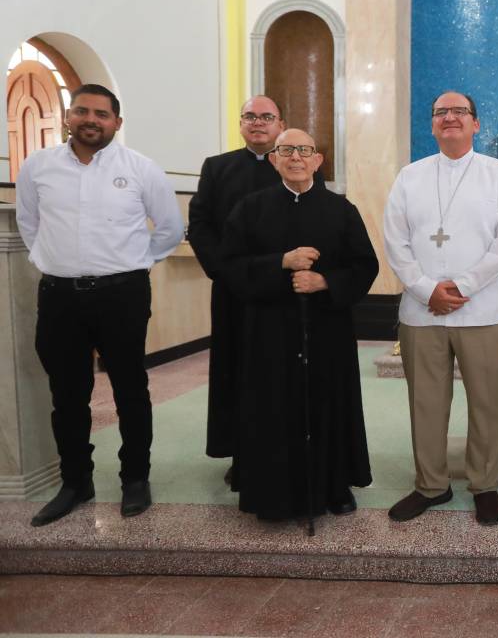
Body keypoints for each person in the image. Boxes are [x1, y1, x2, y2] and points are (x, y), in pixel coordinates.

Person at [15, 84, 183, 526]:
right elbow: (28, 223)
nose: (91, 120)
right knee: (67, 395)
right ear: (69, 116)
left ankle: (135, 480)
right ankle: (76, 482)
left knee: (130, 389)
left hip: (121, 295)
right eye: (83, 111)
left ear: (116, 123)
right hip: (60, 297)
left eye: (102, 114)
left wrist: (134, 266)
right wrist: (53, 262)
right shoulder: (38, 167)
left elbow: (168, 228)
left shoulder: (141, 169)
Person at [219, 128, 377, 521]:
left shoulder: (342, 210)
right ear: (274, 159)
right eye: (286, 150)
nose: (295, 158)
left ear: (317, 160)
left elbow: (365, 265)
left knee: (329, 403)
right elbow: (229, 266)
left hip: (327, 330)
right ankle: (270, 494)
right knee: (271, 408)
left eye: (304, 150)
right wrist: (280, 264)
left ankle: (334, 487)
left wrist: (325, 281)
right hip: (268, 331)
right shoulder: (249, 209)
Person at [383, 91, 498, 526]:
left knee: (487, 403)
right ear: (432, 124)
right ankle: (432, 484)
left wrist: (461, 286)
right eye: (440, 112)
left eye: (459, 112)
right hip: (422, 312)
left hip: (485, 312)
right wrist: (427, 289)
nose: (450, 118)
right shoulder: (410, 176)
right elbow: (395, 240)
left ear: (476, 124)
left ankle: (484, 484)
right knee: (426, 402)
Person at [188, 96, 324, 484]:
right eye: (250, 116)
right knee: (238, 373)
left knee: (288, 374)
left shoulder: (296, 164)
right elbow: (200, 225)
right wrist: (226, 272)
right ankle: (244, 455)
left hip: (289, 293)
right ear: (241, 123)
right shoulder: (218, 168)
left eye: (267, 117)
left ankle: (298, 449)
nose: (258, 122)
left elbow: (316, 220)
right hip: (236, 292)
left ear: (281, 123)